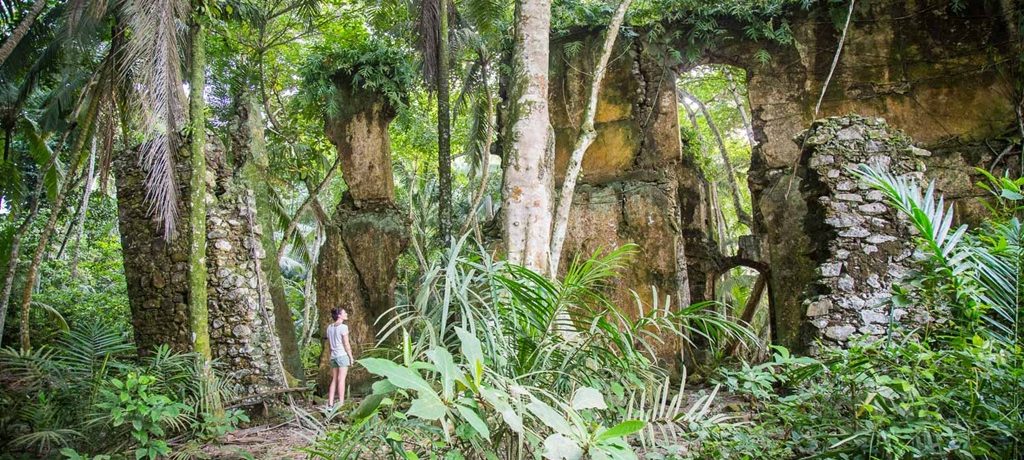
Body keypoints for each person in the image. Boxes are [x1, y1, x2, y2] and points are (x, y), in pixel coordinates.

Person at [326, 307, 353, 408]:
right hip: (342, 355)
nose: (346, 314)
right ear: (339, 316)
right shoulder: (343, 327)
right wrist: (350, 357)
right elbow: (346, 344)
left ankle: (330, 403)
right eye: (344, 313)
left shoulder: (329, 327)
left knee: (334, 379)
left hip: (333, 356)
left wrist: (331, 354)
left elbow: (329, 344)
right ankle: (341, 403)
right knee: (341, 379)